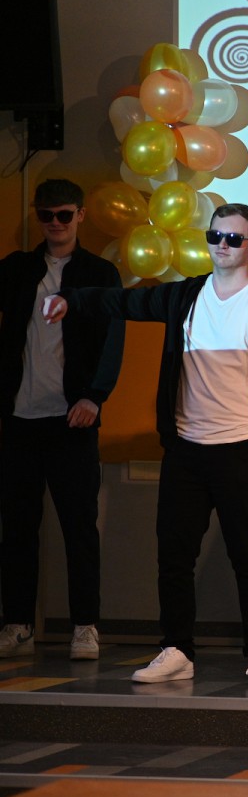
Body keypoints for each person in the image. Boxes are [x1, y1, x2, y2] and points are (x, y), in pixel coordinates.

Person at [46, 203, 248, 687]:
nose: (222, 245)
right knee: (173, 556)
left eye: (233, 238)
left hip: (242, 448)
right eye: (215, 236)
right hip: (187, 449)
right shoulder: (186, 295)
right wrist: (71, 300)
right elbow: (126, 303)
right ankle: (177, 649)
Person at [0, 178, 124, 661]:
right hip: (19, 419)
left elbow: (113, 339)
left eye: (64, 215)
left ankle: (84, 626)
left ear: (81, 215)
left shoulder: (99, 272)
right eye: (46, 215)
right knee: (17, 528)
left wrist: (94, 397)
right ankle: (17, 624)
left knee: (79, 528)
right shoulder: (17, 269)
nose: (55, 223)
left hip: (72, 419)